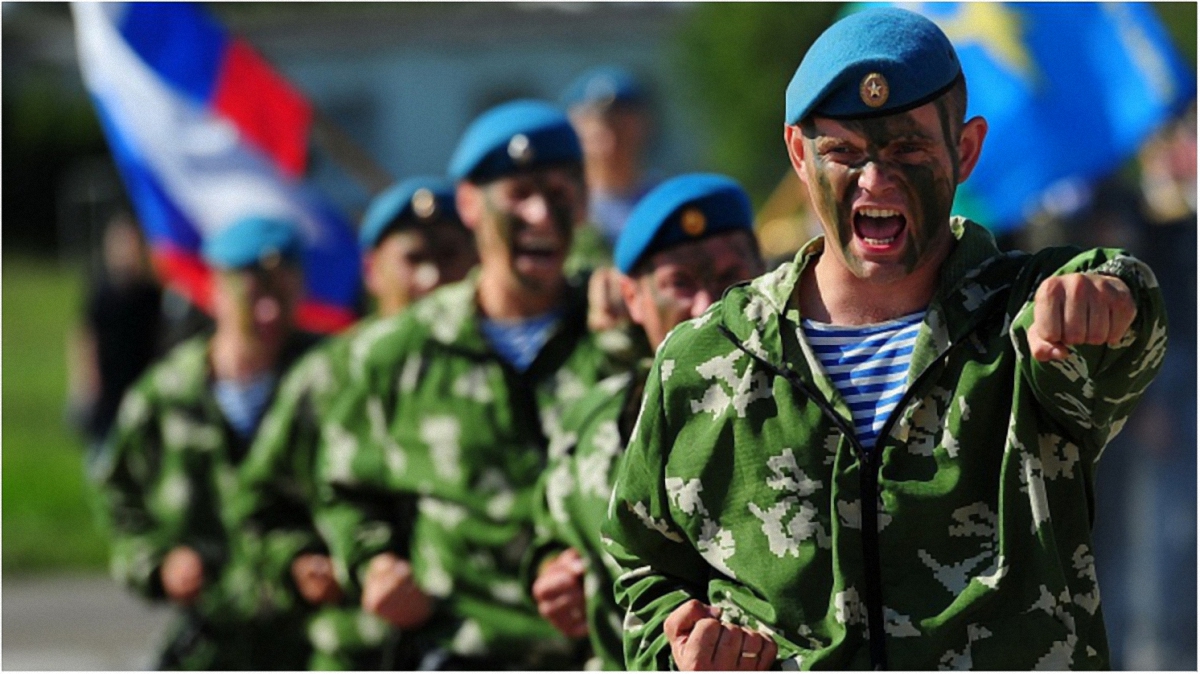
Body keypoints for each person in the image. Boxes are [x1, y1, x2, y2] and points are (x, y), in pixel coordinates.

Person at [602, 7, 1168, 671]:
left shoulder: (1025, 326)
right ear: (797, 154)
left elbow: (1124, 321)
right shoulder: (704, 360)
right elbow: (643, 570)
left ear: (966, 151)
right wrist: (685, 655)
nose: (876, 180)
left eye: (909, 150)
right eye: (844, 152)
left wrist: (1107, 301)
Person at [315, 99, 624, 670]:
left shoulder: (620, 333)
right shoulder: (395, 354)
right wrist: (376, 564)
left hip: (602, 653)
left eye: (560, 193)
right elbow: (344, 491)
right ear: (469, 205)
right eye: (520, 194)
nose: (541, 215)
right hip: (461, 649)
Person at [231, 177, 477, 670]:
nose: (431, 278)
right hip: (358, 648)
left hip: (478, 644)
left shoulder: (496, 367)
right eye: (413, 260)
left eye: (449, 256)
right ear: (372, 271)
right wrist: (298, 563)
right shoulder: (329, 376)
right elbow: (257, 503)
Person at [527, 173, 765, 669]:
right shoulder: (591, 421)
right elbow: (556, 526)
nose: (708, 308)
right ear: (632, 299)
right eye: (680, 285)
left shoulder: (814, 402)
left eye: (728, 277)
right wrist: (555, 574)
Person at [93, 216, 319, 670]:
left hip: (316, 641)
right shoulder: (167, 394)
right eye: (254, 296)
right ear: (215, 292)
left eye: (283, 294)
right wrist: (158, 564)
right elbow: (119, 499)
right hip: (211, 643)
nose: (269, 314)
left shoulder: (328, 379)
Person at [68, 212, 163, 459]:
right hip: (106, 386)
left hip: (139, 380)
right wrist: (85, 381)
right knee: (102, 450)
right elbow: (85, 336)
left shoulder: (150, 294)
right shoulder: (100, 291)